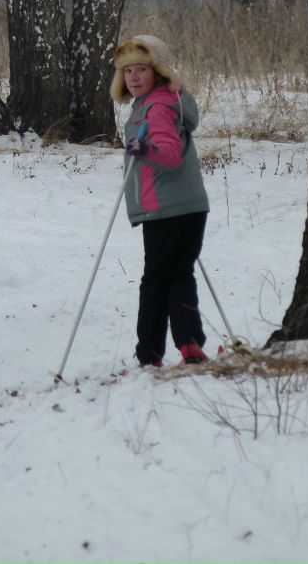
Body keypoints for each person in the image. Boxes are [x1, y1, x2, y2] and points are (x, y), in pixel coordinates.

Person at [110, 34, 211, 368]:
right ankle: (190, 343)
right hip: (190, 205)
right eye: (128, 71)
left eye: (142, 69)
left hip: (164, 209)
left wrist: (144, 150)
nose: (134, 77)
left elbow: (168, 156)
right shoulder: (171, 101)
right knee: (179, 274)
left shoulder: (155, 108)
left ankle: (149, 353)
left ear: (159, 72)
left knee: (155, 280)